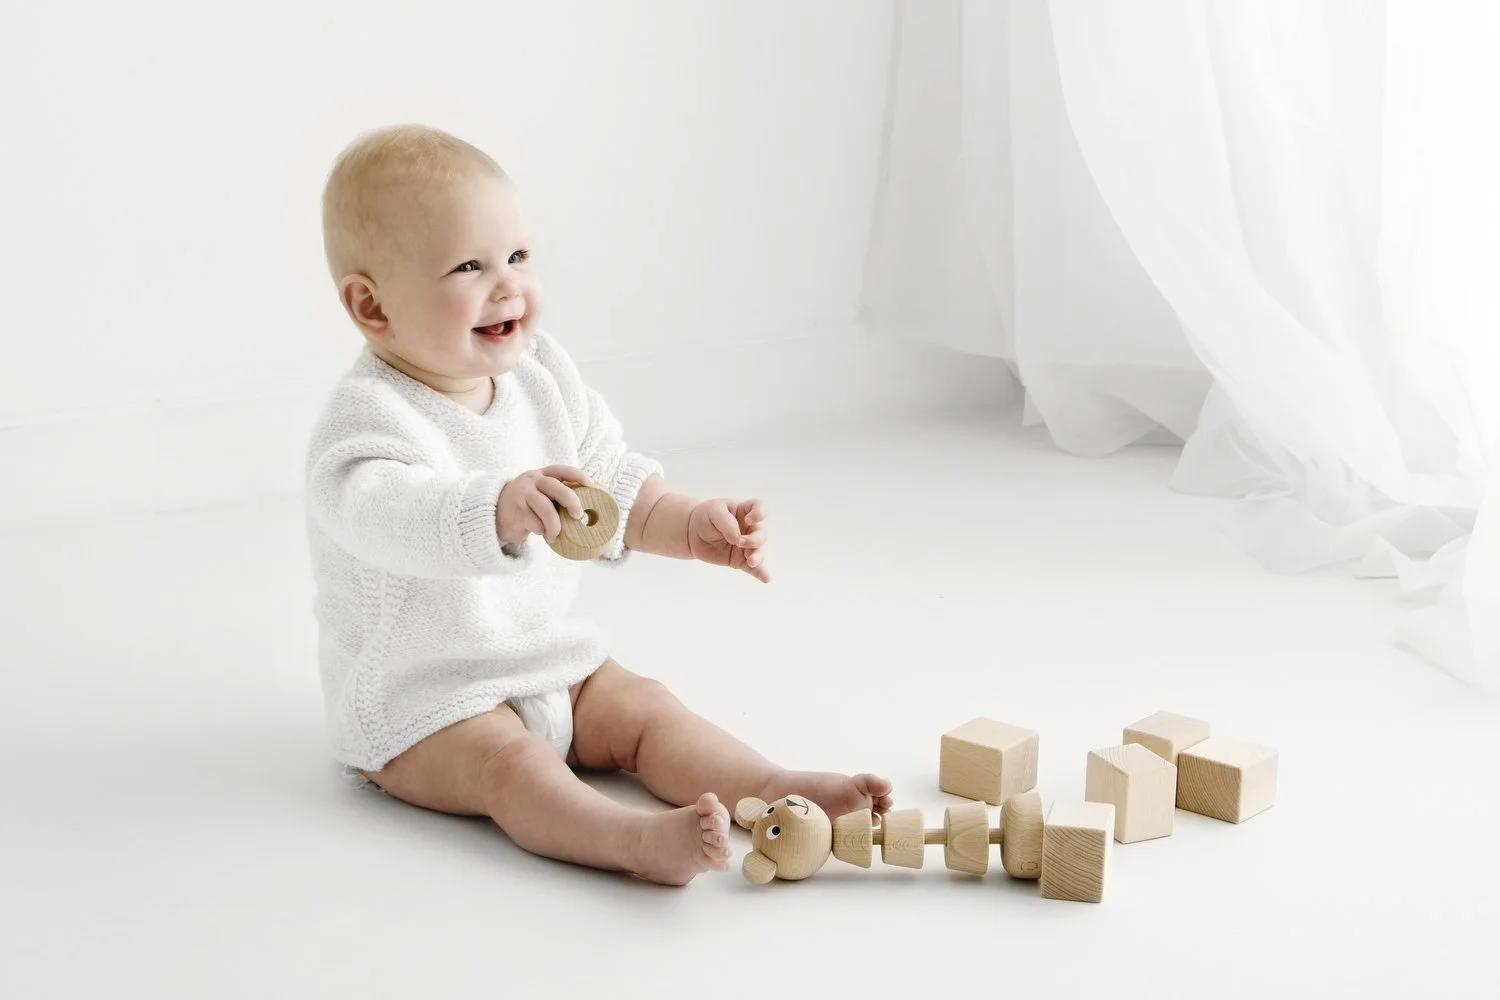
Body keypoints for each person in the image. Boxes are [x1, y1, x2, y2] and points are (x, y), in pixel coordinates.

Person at [305, 124, 893, 884]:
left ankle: (772, 791)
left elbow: (609, 479)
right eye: (469, 267)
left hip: (545, 659)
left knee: (645, 708)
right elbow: (384, 516)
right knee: (508, 766)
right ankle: (631, 842)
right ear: (372, 306)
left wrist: (687, 524)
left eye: (518, 256)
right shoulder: (369, 421)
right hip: (428, 698)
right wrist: (496, 509)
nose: (508, 284)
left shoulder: (541, 373)